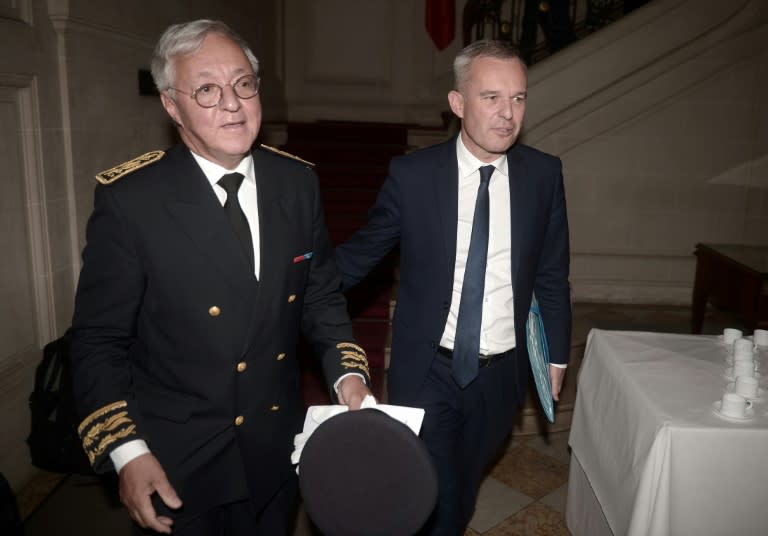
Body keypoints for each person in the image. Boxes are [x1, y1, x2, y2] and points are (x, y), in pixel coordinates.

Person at [69, 19, 372, 536]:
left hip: (275, 446)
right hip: (179, 460)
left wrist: (348, 376)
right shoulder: (132, 201)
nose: (231, 104)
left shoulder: (297, 182)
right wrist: (127, 451)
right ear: (171, 105)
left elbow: (320, 297)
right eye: (206, 89)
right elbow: (98, 341)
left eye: (243, 84)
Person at [335, 39, 571, 535]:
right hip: (429, 367)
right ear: (458, 103)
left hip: (502, 374)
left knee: (465, 483)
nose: (508, 114)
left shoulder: (543, 175)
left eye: (519, 98)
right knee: (430, 487)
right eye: (491, 98)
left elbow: (552, 272)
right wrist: (286, 288)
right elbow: (360, 255)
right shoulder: (413, 176)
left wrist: (556, 356)